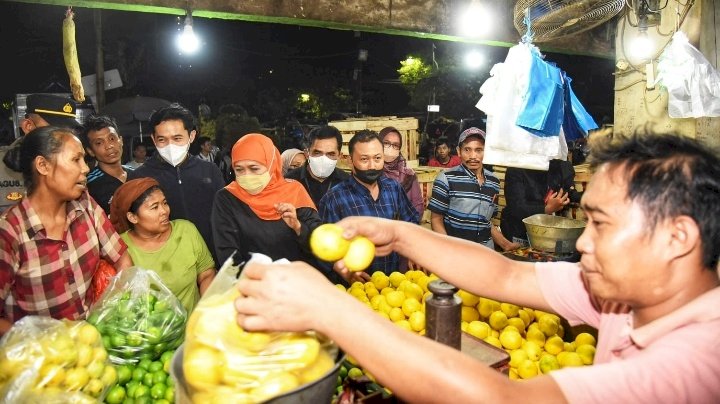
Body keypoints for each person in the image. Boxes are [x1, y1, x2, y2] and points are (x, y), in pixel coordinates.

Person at [234, 134, 720, 403]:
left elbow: (502, 401)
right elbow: (507, 276)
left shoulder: (697, 363)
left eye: (599, 223)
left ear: (677, 238)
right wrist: (401, 234)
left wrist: (328, 308)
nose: (585, 242)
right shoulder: (626, 295)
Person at [0, 126, 133, 334]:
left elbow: (121, 257)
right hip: (41, 360)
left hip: (91, 343)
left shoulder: (85, 205)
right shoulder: (10, 232)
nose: (86, 168)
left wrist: (116, 309)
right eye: (76, 160)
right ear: (43, 165)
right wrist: (37, 343)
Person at [319, 130, 419, 281]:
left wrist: (415, 251)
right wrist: (340, 267)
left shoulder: (393, 188)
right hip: (354, 286)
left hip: (392, 284)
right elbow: (325, 248)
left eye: (377, 158)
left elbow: (410, 222)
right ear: (350, 161)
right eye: (364, 159)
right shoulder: (334, 198)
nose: (372, 166)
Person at [129, 103, 225, 260]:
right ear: (153, 139)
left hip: (212, 258)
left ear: (192, 136)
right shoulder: (140, 177)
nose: (170, 146)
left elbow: (223, 217)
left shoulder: (210, 171)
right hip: (167, 264)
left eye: (177, 138)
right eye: (162, 140)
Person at [211, 133, 322, 267]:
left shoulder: (294, 191)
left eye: (254, 168)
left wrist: (298, 227)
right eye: (239, 169)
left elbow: (318, 244)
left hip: (293, 281)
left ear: (271, 164)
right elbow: (228, 254)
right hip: (252, 283)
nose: (247, 176)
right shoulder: (227, 198)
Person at [109, 178, 215, 314]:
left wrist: (206, 312)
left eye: (164, 203)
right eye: (154, 207)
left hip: (194, 329)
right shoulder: (120, 247)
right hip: (150, 332)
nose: (164, 211)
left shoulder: (186, 230)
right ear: (132, 217)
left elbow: (206, 274)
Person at [428, 128, 519, 251]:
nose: (473, 156)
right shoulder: (446, 178)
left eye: (478, 150)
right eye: (467, 150)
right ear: (458, 152)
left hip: (486, 252)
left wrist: (505, 244)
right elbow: (436, 219)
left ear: (486, 152)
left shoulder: (494, 182)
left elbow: (486, 222)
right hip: (457, 251)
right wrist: (447, 248)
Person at [1, 94, 81, 211]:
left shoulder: (77, 164)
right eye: (54, 131)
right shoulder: (2, 166)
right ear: (28, 126)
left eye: (69, 132)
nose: (64, 138)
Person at [501, 159, 583, 246]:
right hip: (519, 234)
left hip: (549, 235)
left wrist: (586, 196)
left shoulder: (561, 164)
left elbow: (568, 192)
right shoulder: (517, 167)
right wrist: (546, 209)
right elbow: (516, 207)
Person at [79, 114, 132, 214]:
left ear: (121, 140)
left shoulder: (137, 174)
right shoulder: (89, 186)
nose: (109, 146)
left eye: (112, 138)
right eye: (99, 143)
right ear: (90, 151)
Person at [285, 125, 350, 206]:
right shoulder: (289, 181)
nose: (323, 159)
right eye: (317, 153)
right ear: (307, 153)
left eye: (330, 154)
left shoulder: (347, 183)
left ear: (339, 156)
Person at [379, 126, 424, 217]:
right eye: (386, 143)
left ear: (399, 149)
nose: (391, 148)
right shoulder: (371, 172)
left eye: (396, 145)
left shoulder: (408, 175)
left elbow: (417, 206)